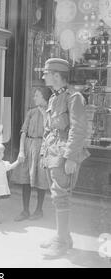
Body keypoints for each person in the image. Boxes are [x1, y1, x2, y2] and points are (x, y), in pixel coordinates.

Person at [40, 58, 90, 258]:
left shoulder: (74, 97)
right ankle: (64, 236)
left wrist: (70, 157)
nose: (43, 76)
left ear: (57, 75)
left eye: (46, 73)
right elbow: (49, 128)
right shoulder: (54, 98)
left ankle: (61, 242)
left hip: (63, 154)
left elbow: (78, 129)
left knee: (61, 197)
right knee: (56, 196)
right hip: (53, 152)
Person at [14, 87, 52, 222]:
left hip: (43, 147)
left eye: (37, 95)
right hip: (28, 146)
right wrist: (21, 151)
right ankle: (25, 210)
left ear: (44, 97)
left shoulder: (50, 113)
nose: (34, 98)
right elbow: (23, 132)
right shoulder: (31, 112)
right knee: (25, 179)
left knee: (41, 179)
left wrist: (45, 115)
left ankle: (39, 210)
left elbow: (52, 130)